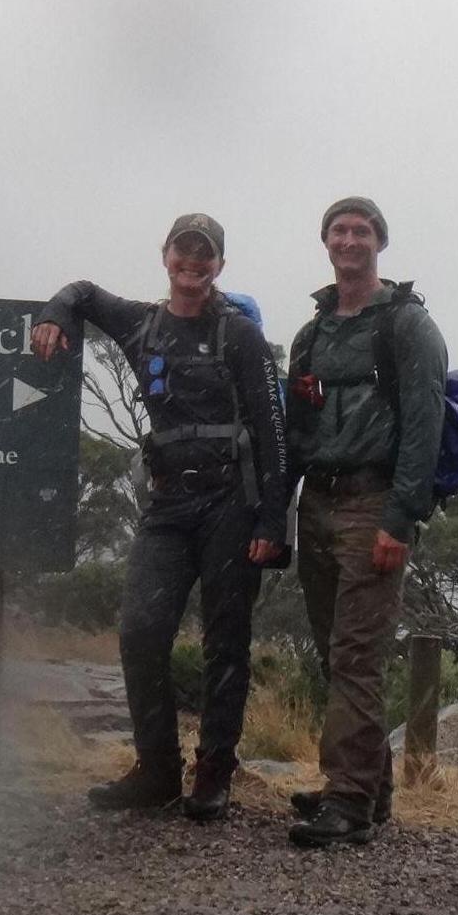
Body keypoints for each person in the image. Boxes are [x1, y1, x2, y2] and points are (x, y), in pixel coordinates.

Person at [31, 215, 288, 819]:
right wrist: (53, 313)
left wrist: (273, 522)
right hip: (169, 504)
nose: (193, 263)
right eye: (183, 251)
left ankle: (214, 775)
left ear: (220, 265)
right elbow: (85, 294)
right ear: (166, 256)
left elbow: (274, 435)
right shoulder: (142, 323)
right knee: (141, 631)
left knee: (227, 641)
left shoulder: (241, 336)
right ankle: (158, 771)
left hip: (232, 502)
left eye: (206, 255)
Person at [285, 197, 448, 848]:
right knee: (334, 654)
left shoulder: (407, 326)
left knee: (357, 656)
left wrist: (398, 518)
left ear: (379, 241)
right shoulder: (312, 333)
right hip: (316, 504)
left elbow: (423, 426)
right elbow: (296, 429)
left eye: (361, 230)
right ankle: (370, 788)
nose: (349, 239)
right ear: (325, 241)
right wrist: (280, 512)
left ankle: (346, 802)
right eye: (338, 229)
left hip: (371, 506)